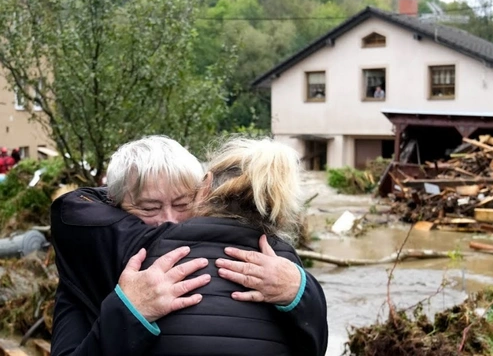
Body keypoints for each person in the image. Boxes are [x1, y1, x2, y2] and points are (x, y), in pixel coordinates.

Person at [51, 135, 328, 356]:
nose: (168, 221)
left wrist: (300, 291)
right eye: (149, 208)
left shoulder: (274, 263)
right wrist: (129, 312)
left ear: (203, 194)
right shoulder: (87, 259)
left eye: (183, 204)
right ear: (113, 205)